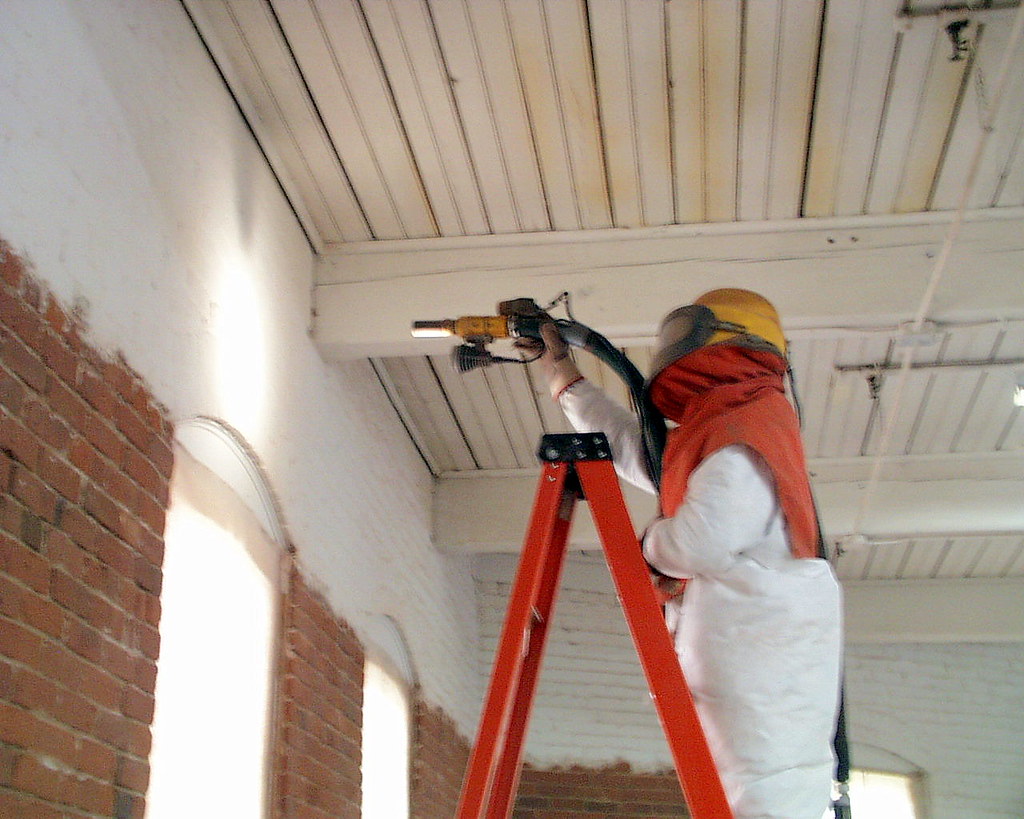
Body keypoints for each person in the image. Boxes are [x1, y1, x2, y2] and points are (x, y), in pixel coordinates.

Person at [526, 288, 843, 819]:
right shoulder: (722, 425)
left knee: (767, 789)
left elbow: (696, 542)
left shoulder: (750, 426)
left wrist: (649, 547)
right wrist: (563, 376)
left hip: (760, 649)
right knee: (747, 787)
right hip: (750, 644)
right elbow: (645, 456)